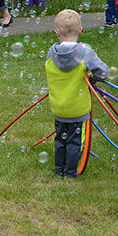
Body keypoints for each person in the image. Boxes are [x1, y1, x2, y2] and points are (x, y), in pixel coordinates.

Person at [45, 9, 109, 178]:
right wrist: (92, 76)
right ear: (80, 30)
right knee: (74, 140)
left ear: (56, 32)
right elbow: (103, 72)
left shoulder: (51, 53)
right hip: (78, 108)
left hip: (58, 106)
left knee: (60, 139)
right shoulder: (84, 52)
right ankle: (71, 172)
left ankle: (59, 169)